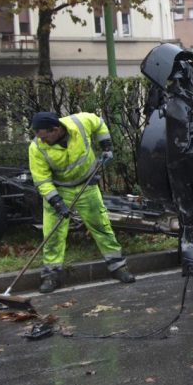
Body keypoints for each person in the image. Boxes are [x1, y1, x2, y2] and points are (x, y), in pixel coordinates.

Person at [28, 111, 135, 293]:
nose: (42, 140)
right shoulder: (36, 148)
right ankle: (51, 275)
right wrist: (57, 202)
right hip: (59, 190)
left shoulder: (79, 122)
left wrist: (107, 146)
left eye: (45, 137)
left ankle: (118, 267)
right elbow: (42, 180)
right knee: (52, 234)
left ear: (56, 129)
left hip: (87, 185)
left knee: (101, 226)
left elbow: (99, 123)